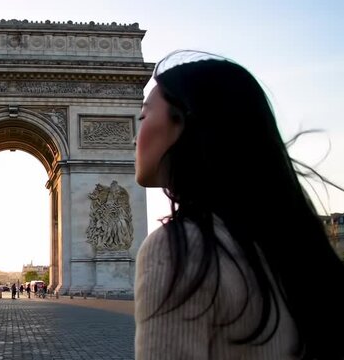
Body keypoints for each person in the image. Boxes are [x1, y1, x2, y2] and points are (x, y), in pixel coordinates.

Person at [133, 50, 344, 360]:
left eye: (143, 116)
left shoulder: (178, 250)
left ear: (183, 124)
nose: (134, 136)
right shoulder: (291, 248)